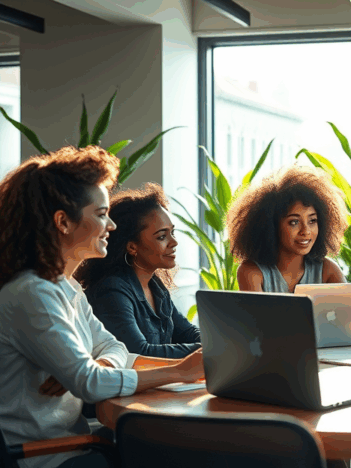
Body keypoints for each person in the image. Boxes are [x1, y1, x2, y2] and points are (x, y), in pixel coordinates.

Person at [0, 146, 204, 468]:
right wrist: (180, 371)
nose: (110, 226)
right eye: (100, 214)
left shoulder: (66, 288)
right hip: (45, 459)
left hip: (77, 445)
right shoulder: (32, 293)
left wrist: (101, 364)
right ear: (63, 222)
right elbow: (89, 383)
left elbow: (114, 346)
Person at [75, 182, 200, 359]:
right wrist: (207, 351)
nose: (174, 242)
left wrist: (214, 345)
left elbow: (187, 332)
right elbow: (137, 352)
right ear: (132, 247)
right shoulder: (112, 289)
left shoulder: (155, 286)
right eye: (162, 236)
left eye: (173, 232)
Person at [228, 164, 348, 293]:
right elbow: (256, 314)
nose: (306, 231)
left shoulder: (328, 270)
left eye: (312, 220)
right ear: (271, 226)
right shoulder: (252, 272)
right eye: (294, 222)